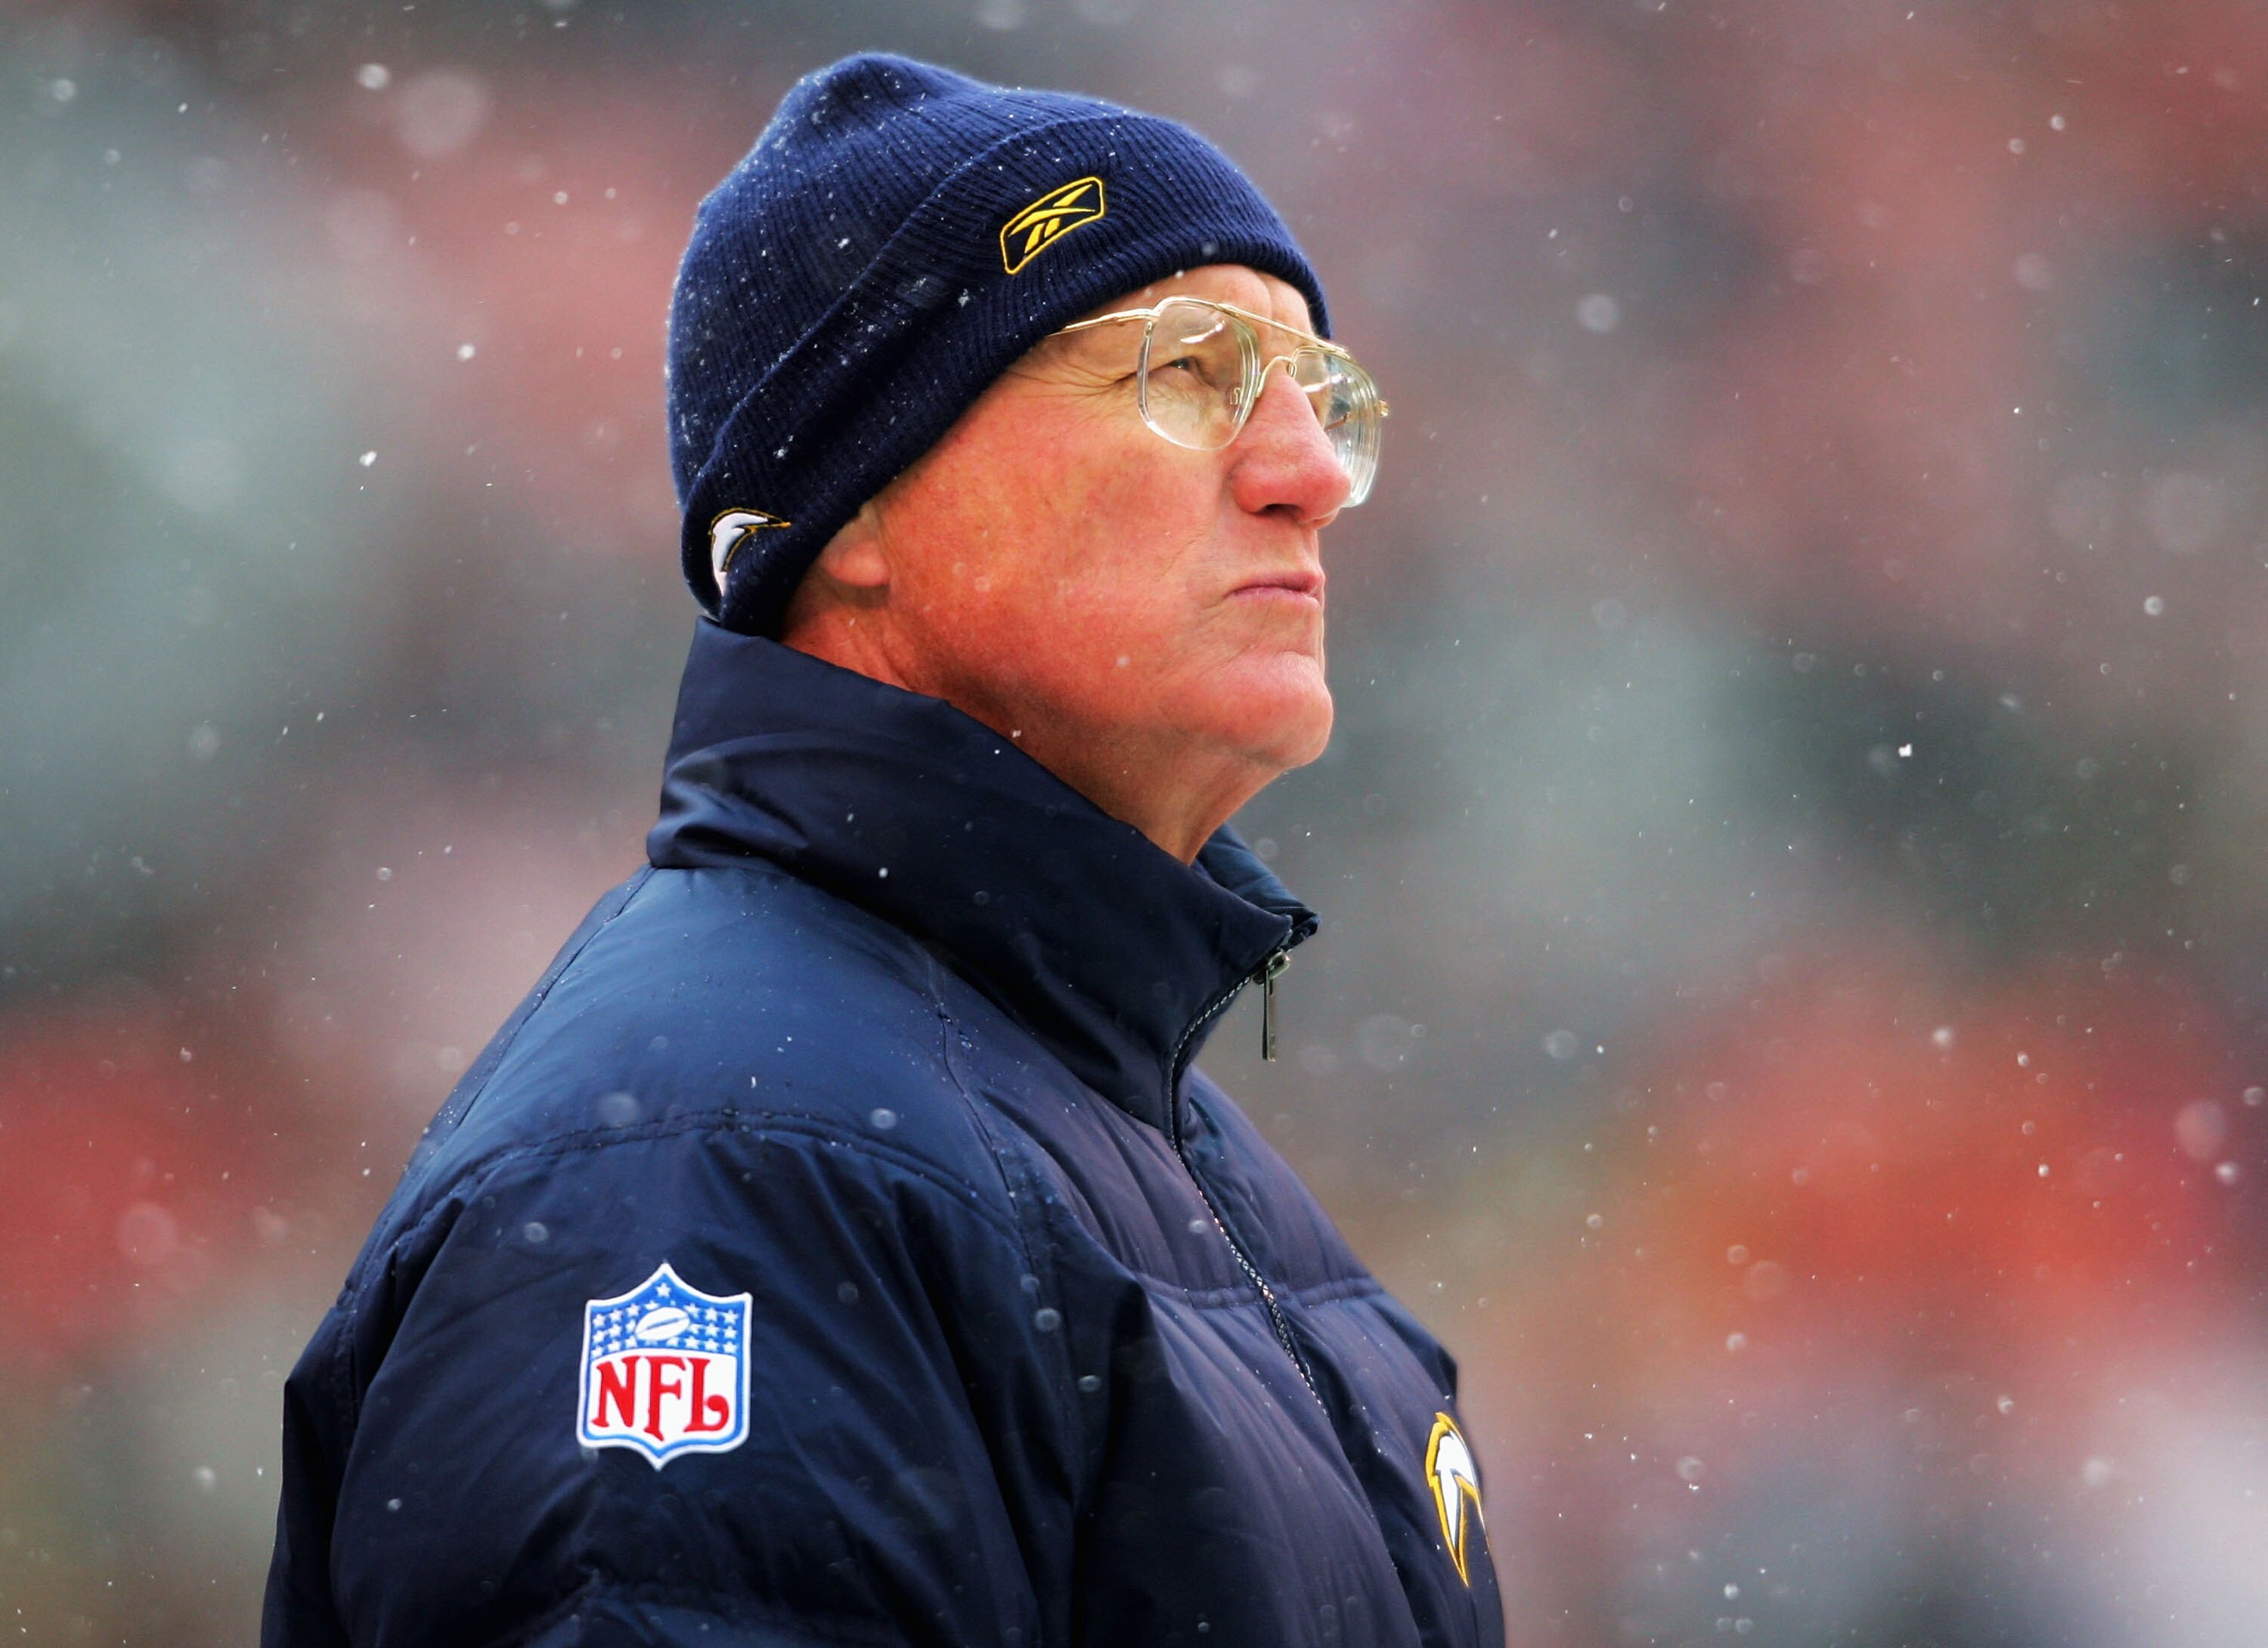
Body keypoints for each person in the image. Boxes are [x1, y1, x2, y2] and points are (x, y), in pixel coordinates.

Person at [264, 52, 1502, 1648]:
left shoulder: (1117, 1150)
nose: (1309, 473)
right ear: (847, 506)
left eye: (1326, 397)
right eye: (1190, 372)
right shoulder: (734, 1164)